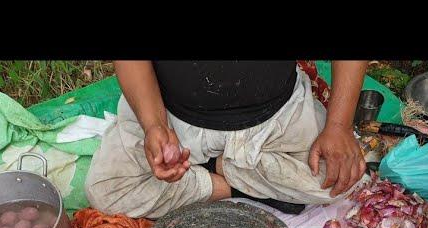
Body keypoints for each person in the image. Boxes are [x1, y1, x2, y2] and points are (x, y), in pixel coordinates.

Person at [85, 60, 368, 219]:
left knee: (341, 181)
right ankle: (238, 186)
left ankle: (213, 167)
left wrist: (339, 126)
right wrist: (154, 126)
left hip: (277, 116)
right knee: (107, 191)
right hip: (173, 116)